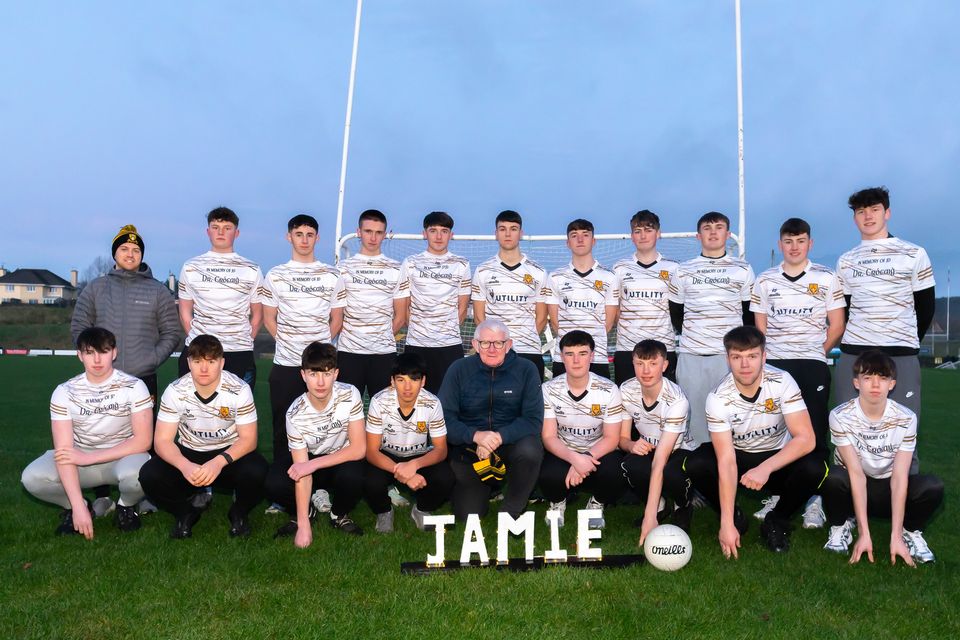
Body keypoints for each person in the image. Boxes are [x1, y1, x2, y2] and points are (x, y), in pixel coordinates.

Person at [684, 326, 824, 557]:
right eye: (737, 357)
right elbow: (727, 461)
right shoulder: (718, 397)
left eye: (752, 356)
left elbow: (806, 439)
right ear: (728, 360)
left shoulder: (782, 381)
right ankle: (733, 516)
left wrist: (766, 468)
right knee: (696, 463)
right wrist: (726, 523)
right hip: (739, 457)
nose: (745, 364)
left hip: (777, 457)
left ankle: (777, 520)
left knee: (816, 466)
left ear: (764, 356)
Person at [70, 224, 180, 515]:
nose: (130, 254)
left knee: (147, 436)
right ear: (115, 254)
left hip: (142, 379)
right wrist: (93, 359)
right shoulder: (96, 288)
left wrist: (152, 360)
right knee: (99, 433)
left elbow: (171, 332)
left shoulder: (157, 291)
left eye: (135, 250)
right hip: (100, 379)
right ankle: (102, 494)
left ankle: (142, 493)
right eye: (124, 249)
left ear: (142, 255)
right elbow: (79, 327)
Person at [750, 217, 845, 528]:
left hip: (812, 365)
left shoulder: (827, 277)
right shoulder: (765, 280)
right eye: (788, 242)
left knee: (813, 433)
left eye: (800, 241)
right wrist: (770, 357)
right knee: (778, 432)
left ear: (810, 244)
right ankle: (779, 492)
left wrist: (818, 352)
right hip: (776, 365)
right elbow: (759, 327)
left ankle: (814, 498)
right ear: (781, 245)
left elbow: (837, 325)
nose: (794, 247)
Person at [834, 187, 935, 473]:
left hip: (900, 354)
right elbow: (846, 309)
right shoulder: (846, 260)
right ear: (855, 218)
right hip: (855, 353)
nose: (868, 216)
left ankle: (905, 507)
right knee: (846, 430)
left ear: (887, 212)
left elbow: (925, 307)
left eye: (874, 209)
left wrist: (903, 342)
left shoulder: (914, 253)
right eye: (861, 211)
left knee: (904, 430)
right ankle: (845, 510)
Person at [21, 327, 153, 538]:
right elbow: (64, 451)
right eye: (90, 352)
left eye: (104, 351)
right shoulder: (64, 392)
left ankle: (125, 506)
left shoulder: (134, 386)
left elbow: (144, 441)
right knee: (32, 478)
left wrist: (90, 457)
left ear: (114, 353)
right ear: (80, 355)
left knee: (144, 474)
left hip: (122, 456)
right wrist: (77, 506)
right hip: (79, 459)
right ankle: (80, 506)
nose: (97, 359)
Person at [138, 335, 268, 539]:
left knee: (259, 471)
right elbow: (162, 441)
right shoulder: (175, 391)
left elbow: (249, 439)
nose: (204, 369)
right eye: (197, 361)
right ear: (189, 363)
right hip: (190, 452)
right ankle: (184, 513)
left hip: (226, 453)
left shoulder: (239, 390)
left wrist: (218, 463)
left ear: (222, 362)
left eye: (211, 361)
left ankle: (239, 512)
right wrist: (184, 465)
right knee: (149, 475)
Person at [821, 351, 943, 564]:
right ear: (856, 383)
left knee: (931, 486)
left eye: (882, 378)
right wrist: (864, 533)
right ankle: (842, 525)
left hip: (888, 488)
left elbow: (899, 477)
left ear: (892, 383)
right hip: (856, 487)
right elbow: (856, 474)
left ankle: (908, 531)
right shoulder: (840, 416)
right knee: (834, 478)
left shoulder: (906, 418)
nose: (875, 385)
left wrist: (894, 536)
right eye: (868, 378)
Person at [439, 319, 544, 521]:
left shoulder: (527, 369)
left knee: (530, 450)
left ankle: (511, 510)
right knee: (467, 516)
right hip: (470, 448)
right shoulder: (458, 369)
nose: (492, 349)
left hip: (510, 443)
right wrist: (476, 436)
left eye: (499, 343)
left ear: (509, 345)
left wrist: (497, 437)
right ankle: (487, 486)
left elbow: (533, 420)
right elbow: (445, 419)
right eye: (485, 343)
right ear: (475, 345)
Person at [267, 342, 367, 544]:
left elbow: (358, 449)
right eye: (313, 374)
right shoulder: (295, 414)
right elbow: (302, 469)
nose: (320, 382)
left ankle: (338, 514)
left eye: (327, 373)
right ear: (303, 375)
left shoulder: (350, 394)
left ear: (336, 374)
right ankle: (306, 513)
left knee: (357, 475)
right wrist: (304, 527)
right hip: (309, 457)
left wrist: (312, 465)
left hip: (339, 458)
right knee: (274, 483)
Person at [261, 214, 343, 462]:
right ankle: (282, 487)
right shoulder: (275, 275)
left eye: (309, 235)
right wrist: (288, 345)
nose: (304, 240)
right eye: (299, 234)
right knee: (282, 426)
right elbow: (268, 319)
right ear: (289, 237)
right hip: (286, 364)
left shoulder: (332, 275)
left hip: (319, 369)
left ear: (317, 238)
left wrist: (318, 356)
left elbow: (336, 319)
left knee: (323, 428)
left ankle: (319, 483)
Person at [669, 211, 755, 446]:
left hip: (728, 357)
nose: (713, 232)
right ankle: (694, 470)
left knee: (730, 413)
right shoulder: (683, 270)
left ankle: (731, 466)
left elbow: (749, 314)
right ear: (698, 236)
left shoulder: (743, 269)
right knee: (694, 417)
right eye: (707, 228)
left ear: (728, 234)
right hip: (692, 355)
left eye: (719, 227)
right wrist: (697, 338)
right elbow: (677, 313)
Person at [540, 330, 624, 529]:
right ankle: (558, 502)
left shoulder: (609, 389)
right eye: (570, 354)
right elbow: (549, 437)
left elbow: (612, 438)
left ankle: (596, 503)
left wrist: (584, 457)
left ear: (592, 356)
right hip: (565, 451)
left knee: (616, 470)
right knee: (546, 474)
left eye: (583, 353)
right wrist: (574, 459)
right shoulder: (549, 389)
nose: (576, 360)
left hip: (597, 452)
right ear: (562, 357)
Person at [363, 352, 454, 533]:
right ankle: (384, 511)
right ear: (392, 381)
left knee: (446, 478)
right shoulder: (379, 401)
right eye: (401, 380)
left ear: (423, 382)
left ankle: (421, 510)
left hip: (418, 456)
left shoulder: (432, 403)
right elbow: (371, 451)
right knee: (369, 479)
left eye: (414, 380)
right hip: (387, 454)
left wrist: (415, 465)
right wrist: (406, 474)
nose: (407, 387)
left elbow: (441, 449)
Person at [177, 207, 263, 388]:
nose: (221, 232)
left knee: (237, 413)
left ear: (237, 232)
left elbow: (257, 314)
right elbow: (185, 311)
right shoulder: (191, 267)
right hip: (198, 352)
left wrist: (244, 339)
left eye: (227, 227)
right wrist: (198, 341)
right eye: (215, 227)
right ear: (208, 231)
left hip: (238, 351)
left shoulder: (251, 269)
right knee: (193, 412)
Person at [618, 339, 694, 542]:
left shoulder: (677, 400)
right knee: (629, 464)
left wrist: (648, 516)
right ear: (632, 363)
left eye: (653, 363)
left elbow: (661, 458)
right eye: (640, 363)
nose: (646, 370)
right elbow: (622, 439)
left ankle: (682, 505)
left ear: (665, 365)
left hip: (677, 450)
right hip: (651, 448)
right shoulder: (626, 390)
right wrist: (631, 445)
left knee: (671, 473)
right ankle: (659, 505)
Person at [333, 209, 407, 400]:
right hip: (349, 353)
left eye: (378, 232)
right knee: (346, 411)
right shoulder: (343, 269)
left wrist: (379, 338)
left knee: (384, 412)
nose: (373, 237)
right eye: (368, 231)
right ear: (359, 232)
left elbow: (400, 315)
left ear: (385, 234)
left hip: (383, 354)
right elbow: (336, 314)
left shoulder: (396, 269)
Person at [398, 211, 471, 394]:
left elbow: (462, 308)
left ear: (451, 235)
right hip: (417, 345)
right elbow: (405, 305)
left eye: (444, 231)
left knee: (449, 400)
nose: (439, 236)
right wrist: (420, 330)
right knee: (414, 398)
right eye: (433, 230)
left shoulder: (461, 264)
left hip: (449, 346)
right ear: (425, 233)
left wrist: (445, 331)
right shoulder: (410, 263)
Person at [472, 210, 548, 380]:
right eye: (502, 229)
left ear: (521, 233)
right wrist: (496, 344)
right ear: (496, 234)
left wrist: (524, 338)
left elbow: (542, 317)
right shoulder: (483, 270)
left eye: (513, 229)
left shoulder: (538, 272)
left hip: (529, 351)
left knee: (529, 405)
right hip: (494, 353)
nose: (508, 234)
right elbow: (479, 316)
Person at [612, 210, 680, 384]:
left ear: (658, 234)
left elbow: (678, 308)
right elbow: (615, 309)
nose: (643, 236)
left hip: (663, 348)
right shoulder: (620, 268)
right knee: (628, 403)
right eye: (637, 231)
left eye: (648, 230)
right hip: (628, 349)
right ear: (632, 236)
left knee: (665, 404)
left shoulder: (674, 268)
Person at [545, 219, 618, 378]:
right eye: (574, 235)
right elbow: (555, 322)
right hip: (564, 358)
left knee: (598, 403)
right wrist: (573, 348)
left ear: (593, 241)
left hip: (597, 357)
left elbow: (609, 323)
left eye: (585, 235)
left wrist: (587, 348)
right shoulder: (555, 277)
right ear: (567, 243)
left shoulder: (609, 277)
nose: (580, 239)